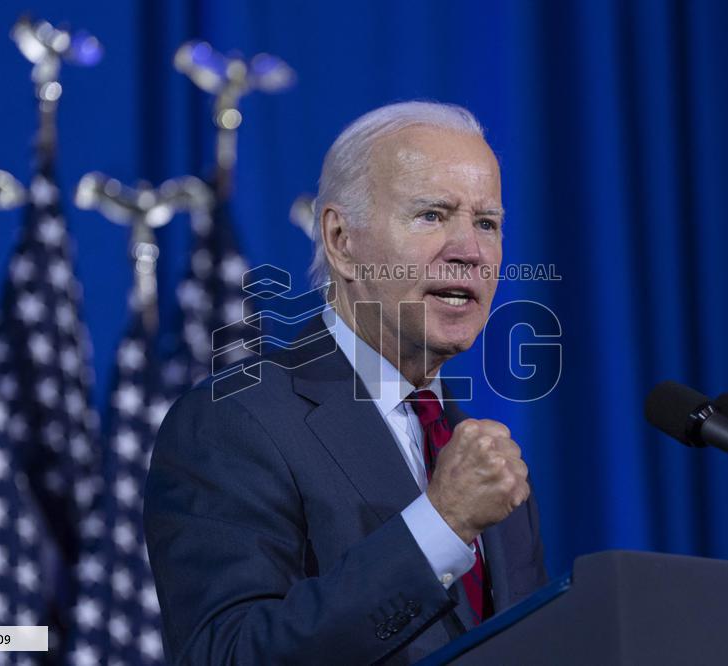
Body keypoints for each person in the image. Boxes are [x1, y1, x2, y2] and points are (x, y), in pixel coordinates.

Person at [144, 101, 548, 665]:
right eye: (432, 215)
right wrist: (441, 525)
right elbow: (229, 654)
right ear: (341, 240)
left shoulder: (478, 455)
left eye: (487, 223)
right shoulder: (233, 422)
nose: (471, 251)